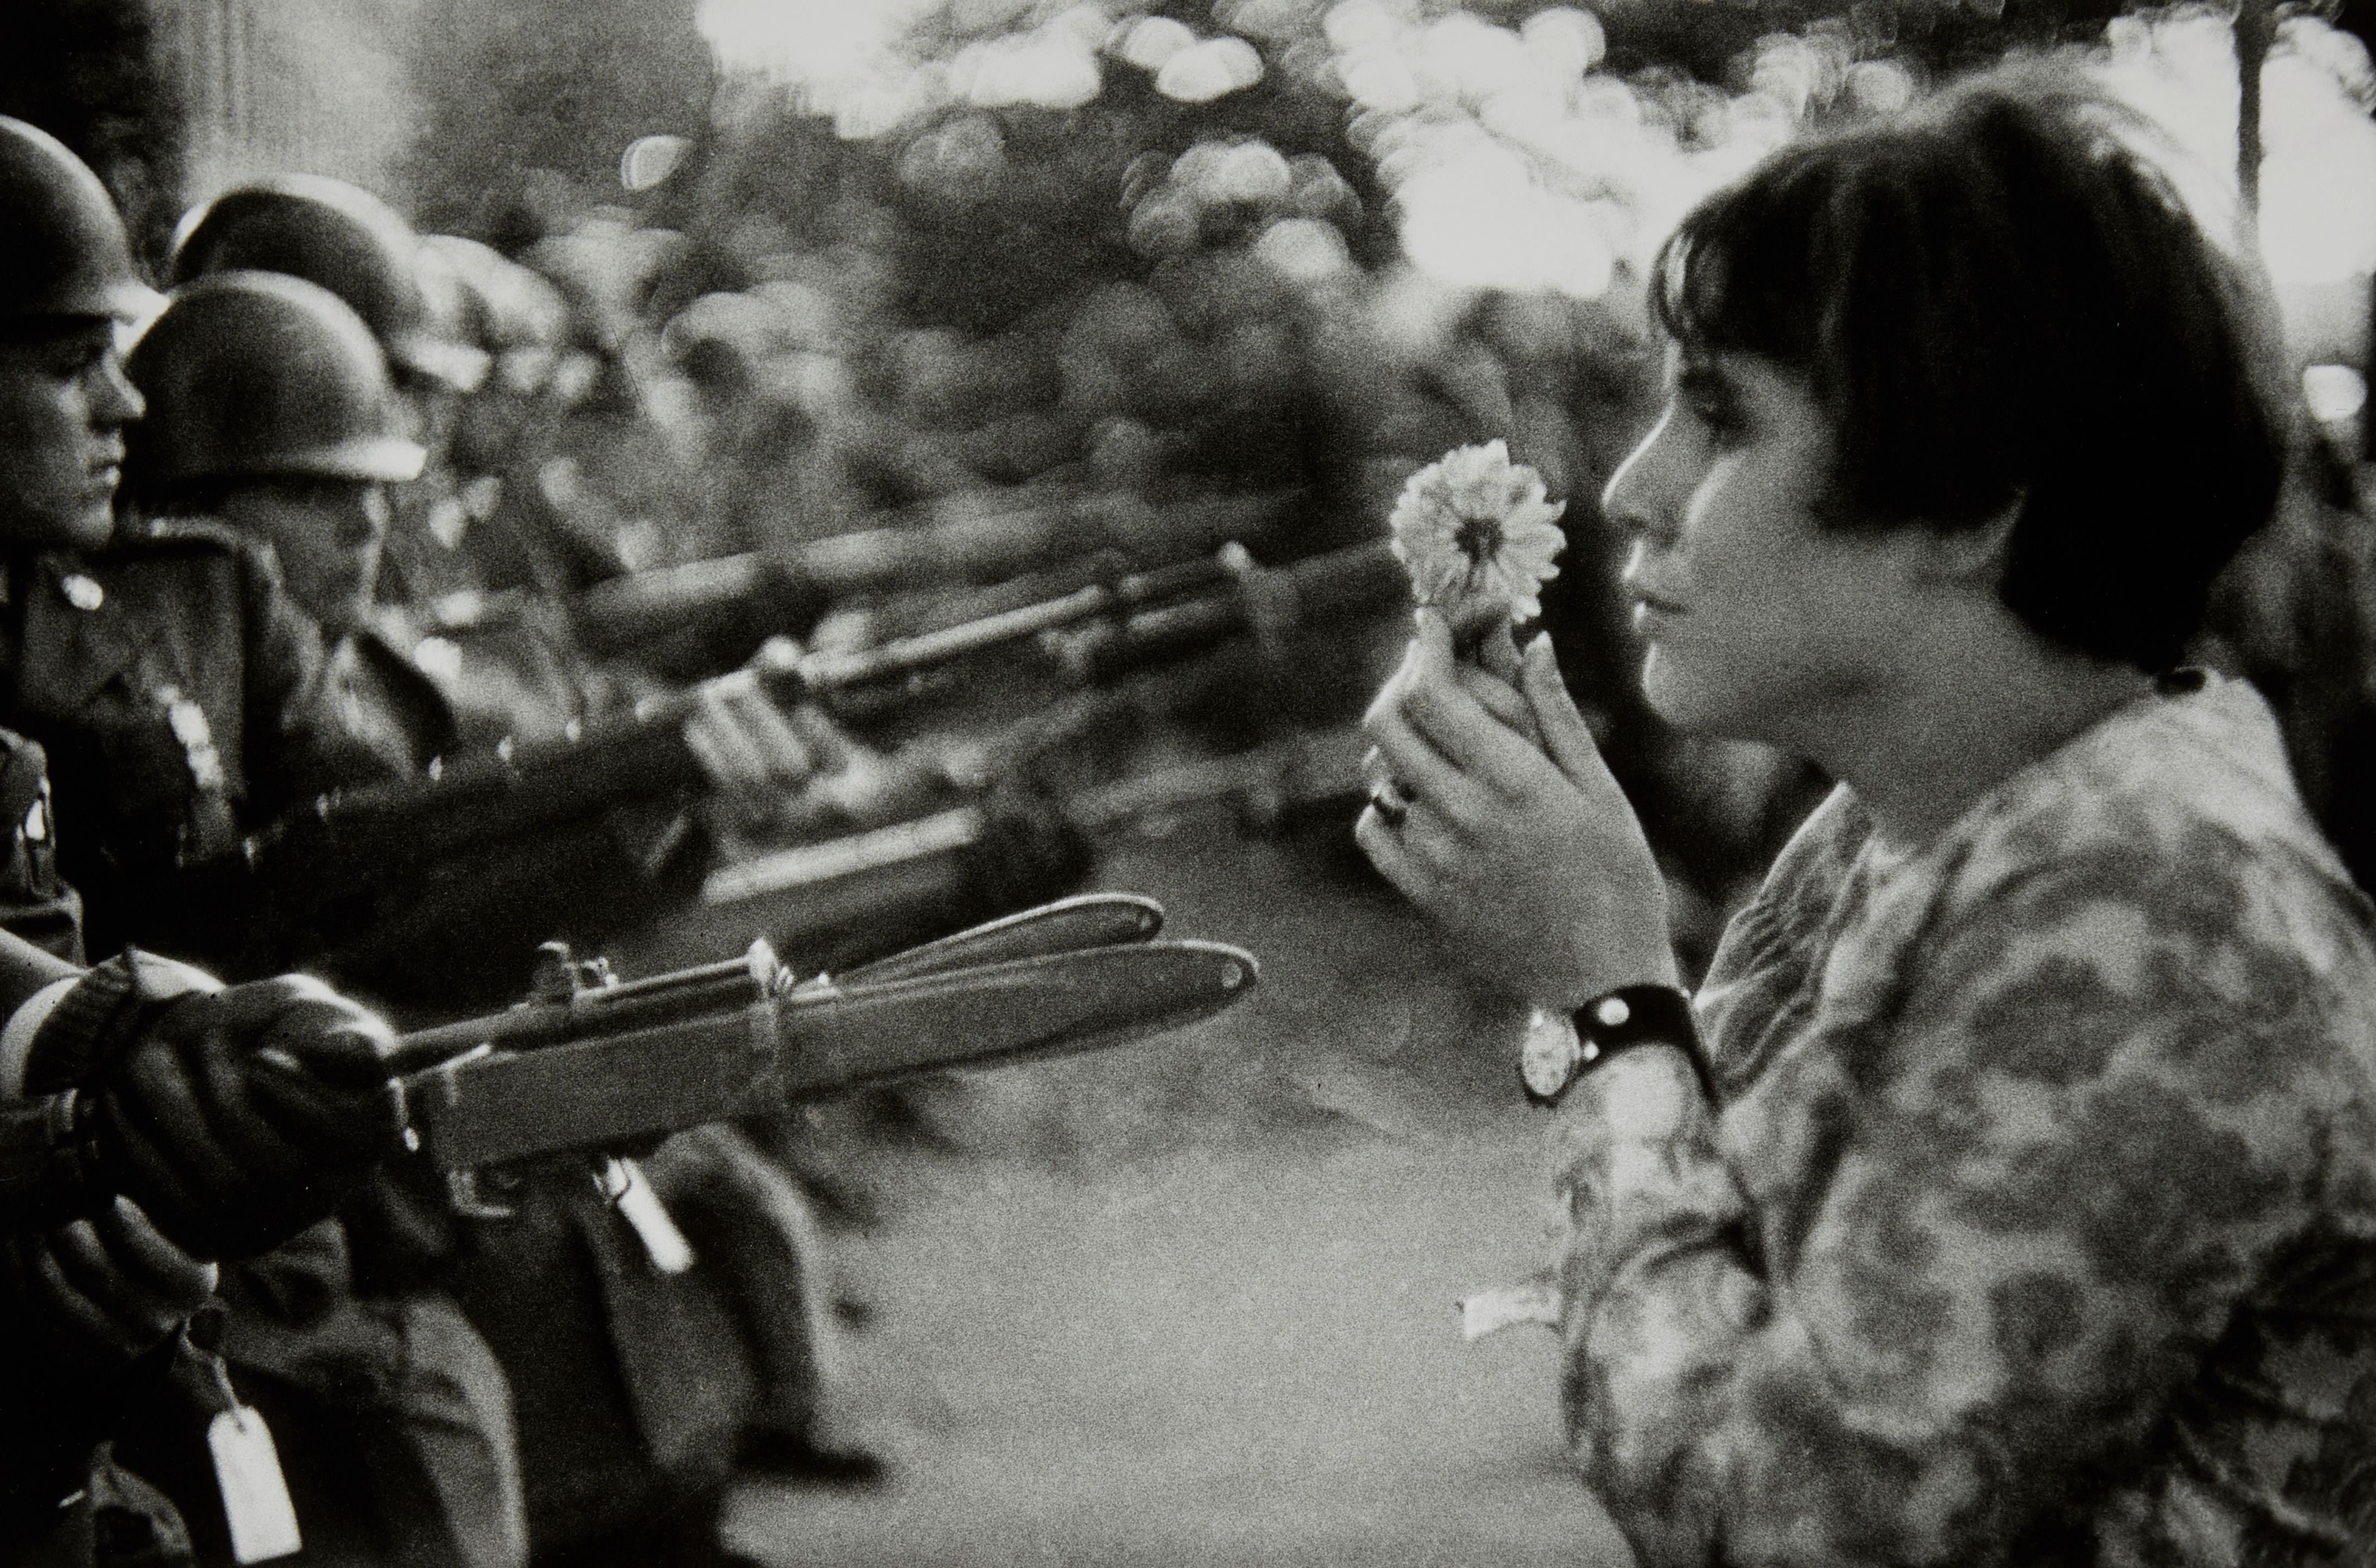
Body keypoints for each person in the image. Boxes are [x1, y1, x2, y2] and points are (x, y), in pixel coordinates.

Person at [1359, 69, 2376, 1565]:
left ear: (1973, 502)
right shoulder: (1914, 827)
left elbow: (1784, 1522)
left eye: (1718, 415)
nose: (1636, 488)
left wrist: (1600, 1002)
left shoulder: (2156, 906)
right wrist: (1581, 957)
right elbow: (1715, 1254)